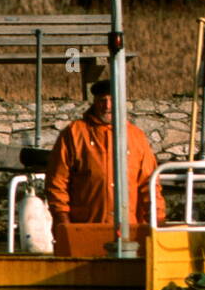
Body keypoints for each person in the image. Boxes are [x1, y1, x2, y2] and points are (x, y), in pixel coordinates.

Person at [46, 79, 162, 242]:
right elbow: (57, 182)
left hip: (129, 232)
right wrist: (63, 222)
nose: (107, 106)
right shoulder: (73, 133)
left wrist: (157, 221)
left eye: (112, 100)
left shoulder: (137, 136)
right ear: (94, 102)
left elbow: (149, 185)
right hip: (85, 230)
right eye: (102, 100)